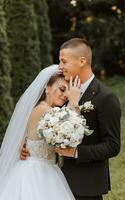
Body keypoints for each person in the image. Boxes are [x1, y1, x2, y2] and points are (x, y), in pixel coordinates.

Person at [0, 65, 81, 200]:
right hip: (36, 173)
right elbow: (73, 131)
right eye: (62, 89)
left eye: (69, 91)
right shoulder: (45, 111)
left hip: (46, 168)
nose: (66, 94)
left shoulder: (43, 109)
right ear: (47, 87)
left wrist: (24, 143)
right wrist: (74, 103)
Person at [55, 38, 121, 200]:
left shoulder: (105, 98)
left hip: (86, 186)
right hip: (56, 180)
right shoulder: (60, 91)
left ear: (82, 61)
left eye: (64, 61)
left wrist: (76, 152)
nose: (60, 67)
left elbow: (112, 145)